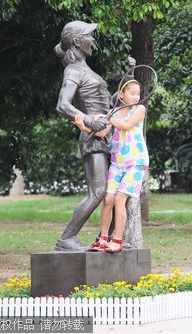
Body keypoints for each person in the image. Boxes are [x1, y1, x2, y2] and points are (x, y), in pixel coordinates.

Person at [54, 20, 133, 251]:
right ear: (78, 41)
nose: (93, 40)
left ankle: (106, 239)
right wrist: (89, 120)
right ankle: (66, 239)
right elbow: (63, 105)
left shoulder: (87, 70)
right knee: (98, 191)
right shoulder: (73, 71)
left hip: (107, 138)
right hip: (93, 139)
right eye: (90, 36)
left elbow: (107, 104)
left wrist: (127, 75)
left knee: (113, 191)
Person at [75, 79, 149, 253]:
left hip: (135, 163)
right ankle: (103, 239)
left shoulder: (140, 109)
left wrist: (107, 117)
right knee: (107, 200)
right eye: (132, 93)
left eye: (138, 94)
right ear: (122, 94)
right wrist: (83, 126)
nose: (136, 97)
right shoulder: (114, 112)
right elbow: (100, 133)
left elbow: (125, 126)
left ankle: (117, 241)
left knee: (119, 200)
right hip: (117, 163)